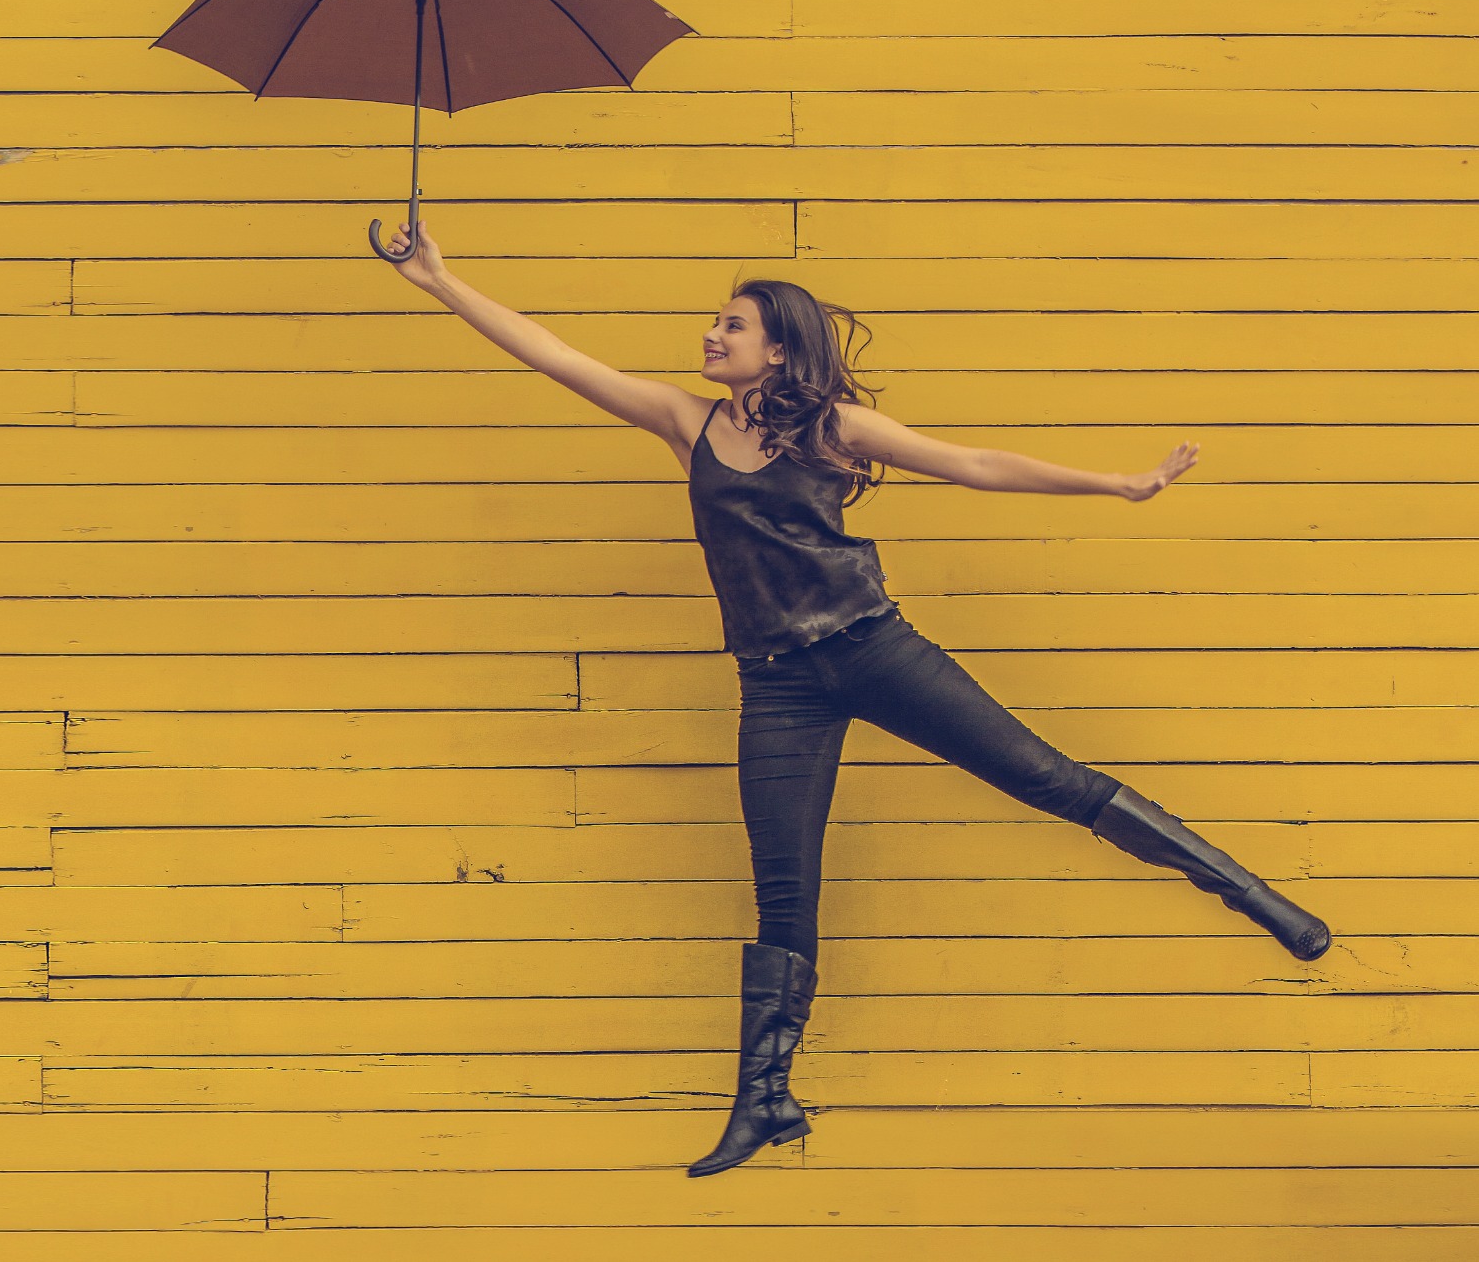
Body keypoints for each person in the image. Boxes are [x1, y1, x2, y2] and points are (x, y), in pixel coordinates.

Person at [377, 221, 1331, 1178]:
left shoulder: (832, 425)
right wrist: (439, 281)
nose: (712, 336)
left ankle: (1253, 895)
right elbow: (552, 352)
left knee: (1048, 779)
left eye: (731, 325)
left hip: (874, 649)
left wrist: (1119, 483)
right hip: (776, 684)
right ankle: (766, 1100)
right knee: (783, 894)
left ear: (777, 347)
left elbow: (975, 463)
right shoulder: (685, 421)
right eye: (716, 324)